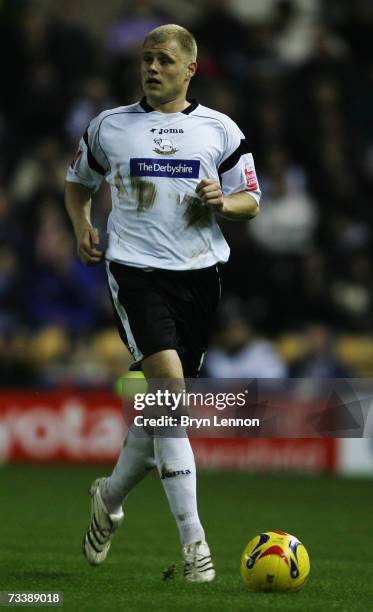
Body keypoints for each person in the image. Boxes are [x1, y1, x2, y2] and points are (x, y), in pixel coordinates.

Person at [65, 24, 261, 583]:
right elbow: (76, 182)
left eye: (165, 60)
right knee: (171, 398)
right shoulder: (110, 126)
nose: (152, 68)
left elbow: (253, 200)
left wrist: (224, 202)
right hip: (135, 272)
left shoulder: (219, 130)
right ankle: (195, 547)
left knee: (159, 413)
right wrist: (81, 224)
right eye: (147, 59)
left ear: (190, 69)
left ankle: (109, 496)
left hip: (201, 276)